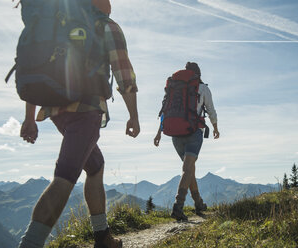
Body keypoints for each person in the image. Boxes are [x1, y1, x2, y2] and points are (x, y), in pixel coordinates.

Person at [18, 0, 139, 247]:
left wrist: (30, 118)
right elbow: (124, 74)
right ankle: (29, 244)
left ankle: (102, 236)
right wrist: (133, 115)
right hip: (86, 108)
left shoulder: (55, 24)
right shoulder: (106, 25)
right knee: (66, 175)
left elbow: (35, 66)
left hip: (55, 109)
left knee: (95, 166)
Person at [154, 62, 219, 221]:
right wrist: (216, 127)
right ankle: (178, 206)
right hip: (193, 132)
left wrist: (159, 133)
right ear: (198, 74)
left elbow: (165, 110)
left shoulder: (174, 87)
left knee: (190, 169)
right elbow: (211, 110)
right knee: (187, 169)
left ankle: (198, 203)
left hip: (175, 134)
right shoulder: (202, 88)